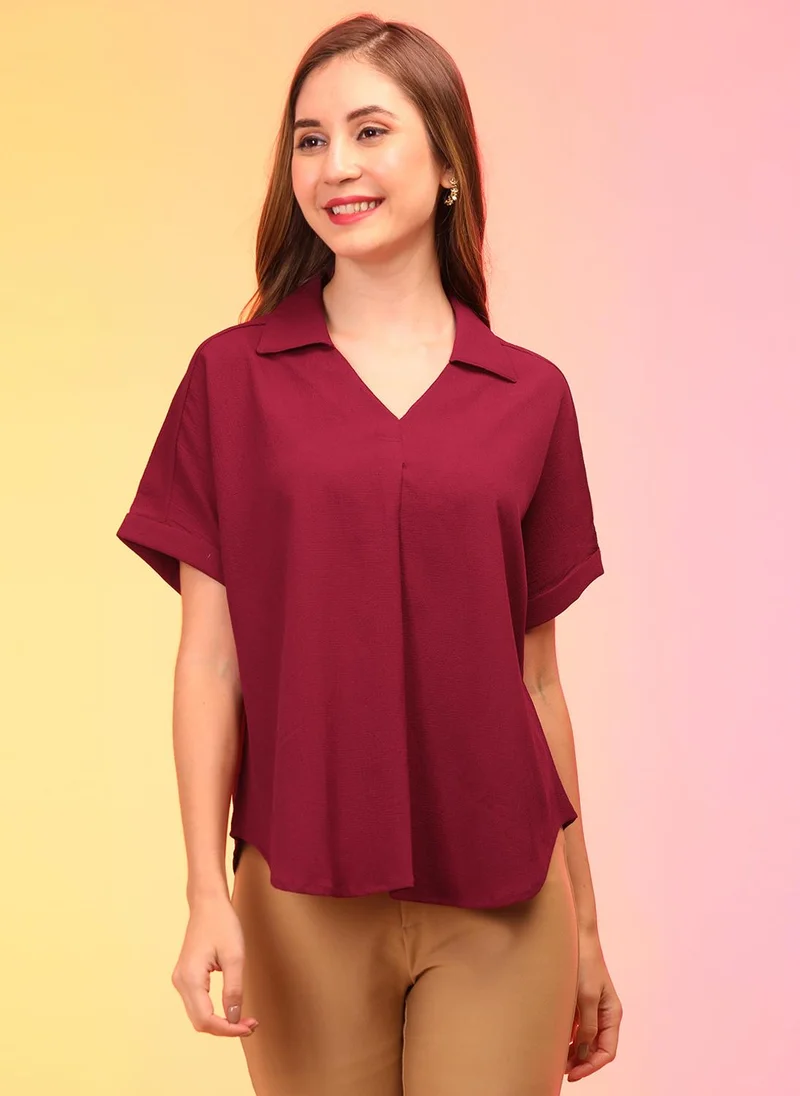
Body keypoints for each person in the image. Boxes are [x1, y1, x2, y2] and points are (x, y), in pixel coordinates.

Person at [115, 13, 623, 1096]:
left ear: (447, 164)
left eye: (369, 131)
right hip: (299, 892)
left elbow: (537, 682)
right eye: (309, 139)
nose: (334, 166)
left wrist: (583, 922)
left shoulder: (529, 396)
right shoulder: (231, 380)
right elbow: (210, 660)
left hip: (506, 896)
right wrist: (205, 892)